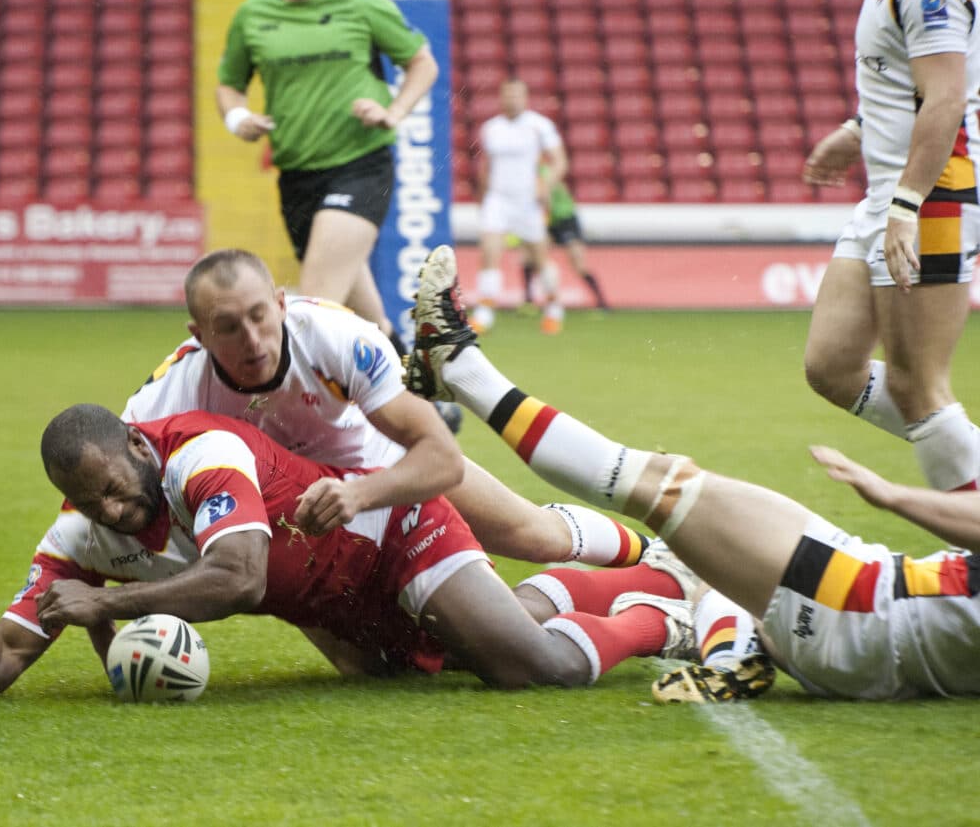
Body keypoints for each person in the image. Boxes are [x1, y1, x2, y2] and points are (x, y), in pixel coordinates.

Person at [406, 244, 980, 701]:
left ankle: (458, 368)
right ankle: (727, 642)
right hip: (869, 614)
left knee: (661, 486)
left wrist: (895, 496)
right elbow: (879, 389)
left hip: (855, 608)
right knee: (909, 398)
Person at [0, 406, 700, 705]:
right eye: (91, 501)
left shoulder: (202, 453)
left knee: (532, 669)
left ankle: (664, 612)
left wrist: (112, 606)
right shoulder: (83, 533)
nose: (115, 509)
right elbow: (15, 641)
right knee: (472, 649)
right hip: (334, 611)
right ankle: (656, 572)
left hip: (393, 538)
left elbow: (240, 573)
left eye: (116, 486)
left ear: (138, 444)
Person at [129, 249, 649, 569]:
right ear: (198, 335)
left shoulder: (338, 336)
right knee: (379, 666)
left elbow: (441, 461)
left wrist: (359, 493)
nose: (252, 340)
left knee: (534, 537)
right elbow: (104, 482)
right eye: (227, 327)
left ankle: (656, 556)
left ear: (282, 304)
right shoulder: (168, 393)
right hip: (302, 520)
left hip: (381, 470)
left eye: (260, 316)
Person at [801, 0, 980, 493]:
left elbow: (948, 98)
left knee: (918, 386)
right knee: (831, 365)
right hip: (891, 192)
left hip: (932, 194)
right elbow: (910, 79)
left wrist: (907, 205)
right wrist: (857, 131)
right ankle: (962, 451)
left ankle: (971, 530)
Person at [215, 0, 438, 356]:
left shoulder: (360, 3)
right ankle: (420, 391)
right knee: (368, 317)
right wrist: (238, 119)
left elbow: (422, 62)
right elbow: (229, 85)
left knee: (310, 309)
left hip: (361, 165)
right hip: (297, 175)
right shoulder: (252, 15)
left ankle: (294, 421)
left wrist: (393, 112)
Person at [471, 79, 568, 335]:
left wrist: (545, 186)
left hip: (528, 200)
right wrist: (482, 197)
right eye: (507, 95)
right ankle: (485, 312)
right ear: (501, 98)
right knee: (489, 251)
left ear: (525, 98)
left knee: (539, 257)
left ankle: (554, 306)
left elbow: (559, 162)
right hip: (498, 199)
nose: (512, 99)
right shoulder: (491, 128)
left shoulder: (539, 126)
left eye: (517, 95)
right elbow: (486, 166)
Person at [543, 170, 609, 311]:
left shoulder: (545, 172)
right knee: (533, 258)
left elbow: (546, 197)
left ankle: (602, 302)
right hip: (549, 222)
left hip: (565, 220)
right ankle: (529, 300)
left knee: (578, 263)